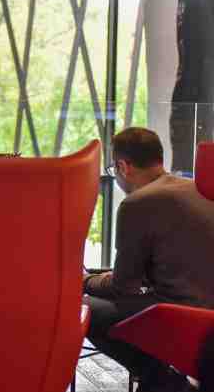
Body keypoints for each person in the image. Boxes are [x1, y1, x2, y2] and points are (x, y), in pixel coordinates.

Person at [84, 127, 214, 392]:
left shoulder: (137, 203)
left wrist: (85, 281)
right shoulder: (198, 189)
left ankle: (164, 383)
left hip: (179, 312)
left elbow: (123, 287)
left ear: (123, 166)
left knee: (87, 309)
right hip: (207, 310)